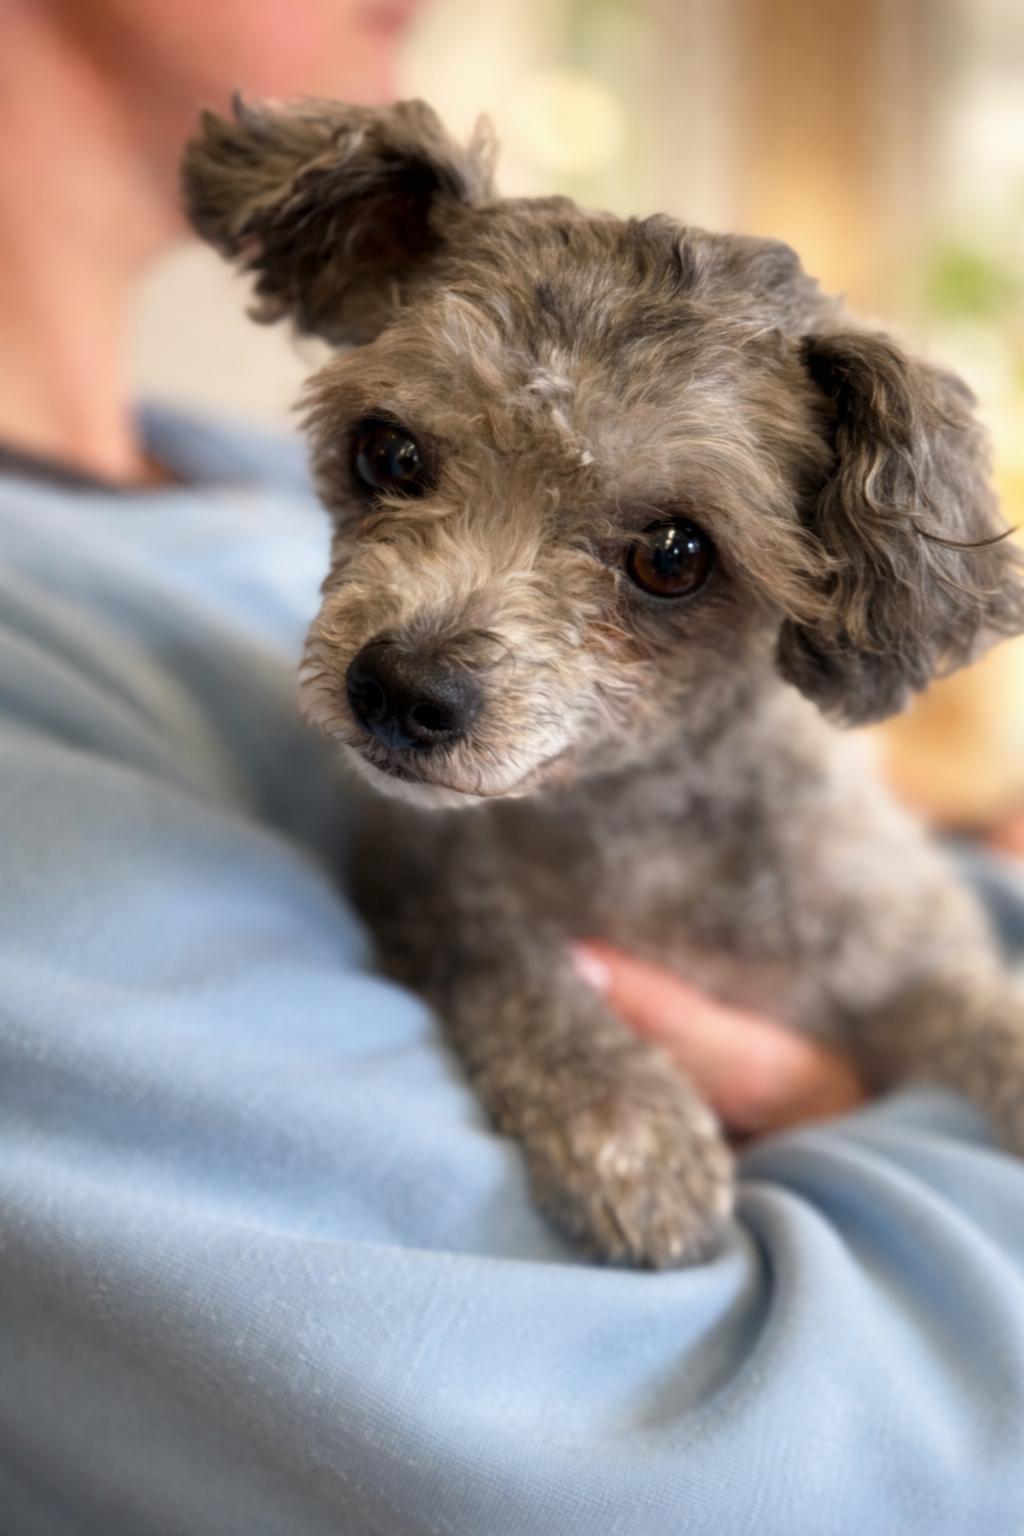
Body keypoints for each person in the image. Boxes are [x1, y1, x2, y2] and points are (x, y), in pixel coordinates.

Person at [1, 3, 1022, 1532]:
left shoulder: (193, 482)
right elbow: (707, 1471)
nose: (423, 648)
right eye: (396, 466)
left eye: (664, 558)